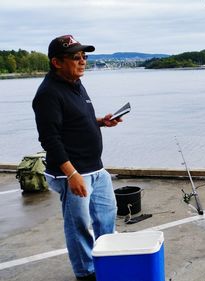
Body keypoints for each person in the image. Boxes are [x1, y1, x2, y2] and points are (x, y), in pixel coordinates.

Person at [32, 35, 121, 281]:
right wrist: (72, 174)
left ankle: (108, 261)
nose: (82, 61)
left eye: (84, 56)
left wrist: (101, 122)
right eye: (75, 57)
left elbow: (75, 122)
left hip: (96, 169)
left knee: (106, 217)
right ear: (57, 62)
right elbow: (50, 139)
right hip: (71, 172)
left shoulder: (76, 84)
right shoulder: (48, 94)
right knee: (78, 225)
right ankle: (86, 272)